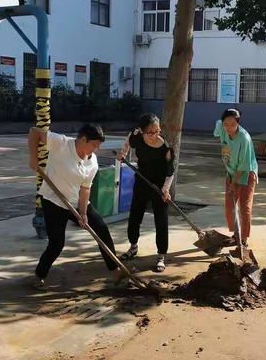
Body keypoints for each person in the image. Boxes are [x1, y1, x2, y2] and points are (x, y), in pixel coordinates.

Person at [28, 123, 125, 289]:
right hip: (53, 201)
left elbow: (85, 188)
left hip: (74, 201)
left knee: (101, 228)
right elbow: (34, 132)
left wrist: (83, 213)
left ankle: (115, 269)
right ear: (83, 139)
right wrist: (33, 159)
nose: (96, 149)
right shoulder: (62, 143)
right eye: (94, 144)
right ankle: (40, 274)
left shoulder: (92, 161)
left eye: (98, 146)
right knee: (57, 244)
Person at [117, 113, 174, 273]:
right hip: (142, 180)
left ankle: (161, 255)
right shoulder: (137, 137)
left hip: (159, 184)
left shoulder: (165, 148)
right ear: (141, 131)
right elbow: (129, 140)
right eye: (150, 132)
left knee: (161, 220)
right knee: (135, 215)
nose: (155, 135)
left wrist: (165, 189)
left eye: (157, 131)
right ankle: (133, 247)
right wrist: (123, 153)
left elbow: (170, 172)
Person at [213, 108, 258, 252]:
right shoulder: (222, 127)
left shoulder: (244, 138)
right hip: (231, 172)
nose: (229, 128)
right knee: (229, 206)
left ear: (238, 123)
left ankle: (243, 239)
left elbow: (244, 166)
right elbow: (218, 126)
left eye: (232, 124)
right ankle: (236, 234)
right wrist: (231, 182)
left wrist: (233, 184)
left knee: (244, 207)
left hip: (246, 173)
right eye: (226, 124)